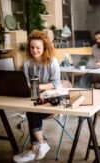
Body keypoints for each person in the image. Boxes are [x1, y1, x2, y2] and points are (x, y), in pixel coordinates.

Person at [13, 30, 61, 163]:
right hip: (34, 100)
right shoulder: (28, 62)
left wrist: (37, 86)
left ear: (45, 48)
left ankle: (35, 146)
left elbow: (56, 84)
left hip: (51, 102)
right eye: (32, 47)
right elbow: (25, 81)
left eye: (38, 48)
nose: (34, 50)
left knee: (31, 111)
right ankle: (39, 144)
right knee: (32, 108)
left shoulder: (52, 61)